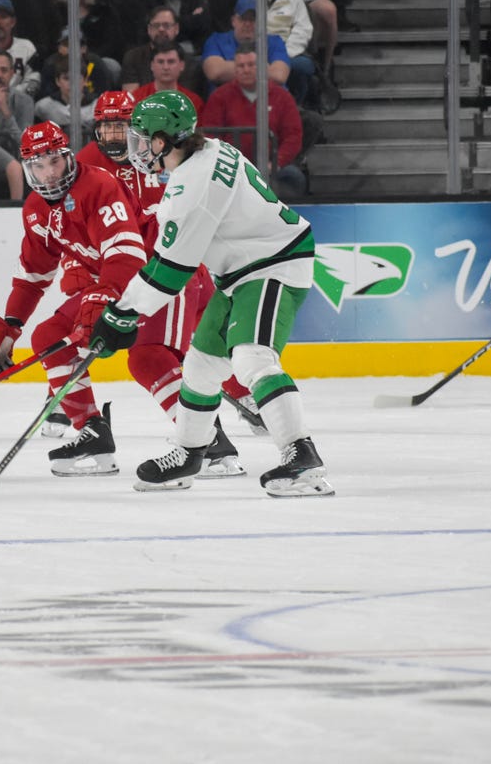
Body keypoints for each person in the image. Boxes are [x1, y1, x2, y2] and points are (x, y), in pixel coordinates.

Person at [89, 91, 332, 497]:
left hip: (273, 265)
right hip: (241, 270)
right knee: (201, 366)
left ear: (164, 141)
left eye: (143, 137)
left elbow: (170, 271)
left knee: (251, 356)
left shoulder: (192, 189)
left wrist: (121, 313)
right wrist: (124, 312)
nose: (137, 146)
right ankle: (189, 454)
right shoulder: (210, 150)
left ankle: (302, 459)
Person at [71, 91, 243, 475]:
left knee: (154, 356)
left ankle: (210, 443)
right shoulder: (87, 167)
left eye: (124, 126)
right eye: (108, 126)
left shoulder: (169, 166)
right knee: (206, 354)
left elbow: (160, 232)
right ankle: (239, 419)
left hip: (170, 271)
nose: (118, 136)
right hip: (158, 274)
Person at [0, 121, 146, 476]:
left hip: (151, 279)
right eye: (38, 165)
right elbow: (32, 277)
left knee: (153, 358)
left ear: (67, 157)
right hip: (111, 285)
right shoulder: (36, 210)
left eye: (54, 161)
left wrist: (105, 295)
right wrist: (10, 328)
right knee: (47, 337)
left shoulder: (99, 184)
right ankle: (92, 432)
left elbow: (127, 254)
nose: (48, 173)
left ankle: (211, 441)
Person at [201, 44, 308, 199]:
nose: (246, 70)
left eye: (251, 65)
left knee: (293, 177)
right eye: (241, 66)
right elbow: (210, 137)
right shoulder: (219, 97)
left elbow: (293, 136)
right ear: (235, 70)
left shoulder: (282, 97)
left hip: (273, 168)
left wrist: (275, 163)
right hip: (230, 169)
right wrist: (229, 166)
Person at [202, 0, 291, 97]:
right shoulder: (216, 40)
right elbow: (215, 72)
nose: (248, 24)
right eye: (243, 19)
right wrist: (263, 69)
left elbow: (279, 75)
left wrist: (231, 68)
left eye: (253, 19)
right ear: (233, 21)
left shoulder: (275, 41)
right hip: (228, 102)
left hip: (270, 101)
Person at [260, 0, 316, 106]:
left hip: (289, 52)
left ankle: (295, 108)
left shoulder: (294, 0)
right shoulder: (248, 1)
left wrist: (282, 55)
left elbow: (303, 30)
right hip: (259, 54)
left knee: (302, 66)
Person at [120, 5, 204, 95]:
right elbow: (130, 98)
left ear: (176, 29)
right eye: (156, 25)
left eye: (166, 25)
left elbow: (187, 98)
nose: (161, 29)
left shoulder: (189, 62)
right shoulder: (133, 57)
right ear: (149, 29)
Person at [131, 41, 206, 114]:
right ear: (152, 65)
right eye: (160, 62)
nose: (166, 67)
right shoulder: (136, 99)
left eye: (171, 62)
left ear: (182, 65)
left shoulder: (193, 102)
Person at [35, 68, 96, 141]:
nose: (72, 83)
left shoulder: (98, 105)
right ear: (57, 81)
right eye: (66, 78)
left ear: (85, 80)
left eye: (77, 78)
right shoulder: (43, 106)